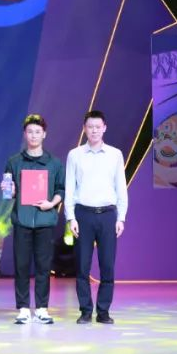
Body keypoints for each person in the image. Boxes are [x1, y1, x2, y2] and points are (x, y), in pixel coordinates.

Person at [65, 110, 128, 324]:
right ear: (84, 129)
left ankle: (103, 311)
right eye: (90, 127)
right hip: (83, 214)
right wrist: (71, 217)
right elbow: (69, 188)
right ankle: (85, 311)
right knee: (82, 266)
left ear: (104, 128)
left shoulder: (115, 154)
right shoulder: (75, 155)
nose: (94, 130)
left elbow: (121, 187)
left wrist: (121, 217)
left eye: (98, 127)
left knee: (107, 266)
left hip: (108, 214)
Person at [4, 113, 65, 325]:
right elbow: (9, 192)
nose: (33, 135)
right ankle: (23, 308)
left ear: (44, 134)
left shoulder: (54, 163)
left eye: (37, 131)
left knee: (43, 266)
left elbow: (61, 189)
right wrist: (9, 190)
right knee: (21, 266)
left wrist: (52, 203)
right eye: (30, 131)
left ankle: (41, 308)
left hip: (45, 221)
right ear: (25, 134)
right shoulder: (14, 162)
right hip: (22, 221)